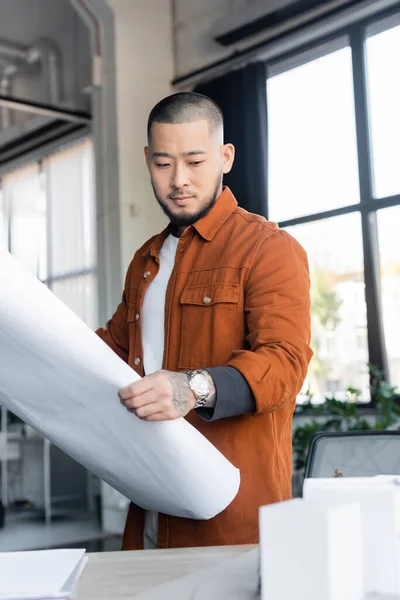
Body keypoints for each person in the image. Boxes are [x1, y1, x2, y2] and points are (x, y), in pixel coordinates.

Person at [96, 91, 312, 550]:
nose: (179, 180)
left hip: (231, 520)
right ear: (147, 160)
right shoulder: (145, 261)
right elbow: (107, 353)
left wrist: (192, 388)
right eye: (163, 164)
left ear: (225, 157)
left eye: (195, 162)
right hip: (150, 505)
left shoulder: (268, 249)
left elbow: (285, 363)